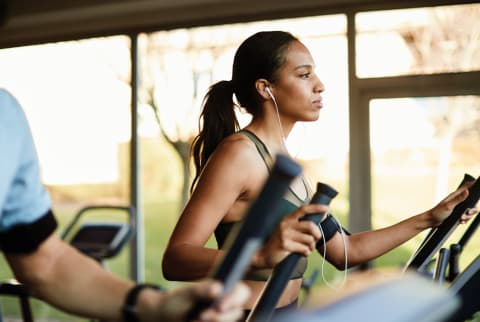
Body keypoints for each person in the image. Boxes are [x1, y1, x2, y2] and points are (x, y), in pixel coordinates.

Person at [161, 30, 478, 320]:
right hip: (243, 315)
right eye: (303, 74)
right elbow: (176, 259)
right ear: (265, 88)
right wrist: (260, 256)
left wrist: (431, 217)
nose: (320, 85)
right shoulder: (239, 153)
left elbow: (345, 251)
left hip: (287, 312)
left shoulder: (289, 165)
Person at [0, 87, 250, 322]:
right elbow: (177, 257)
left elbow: (46, 262)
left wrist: (158, 305)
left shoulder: (6, 116)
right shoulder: (239, 153)